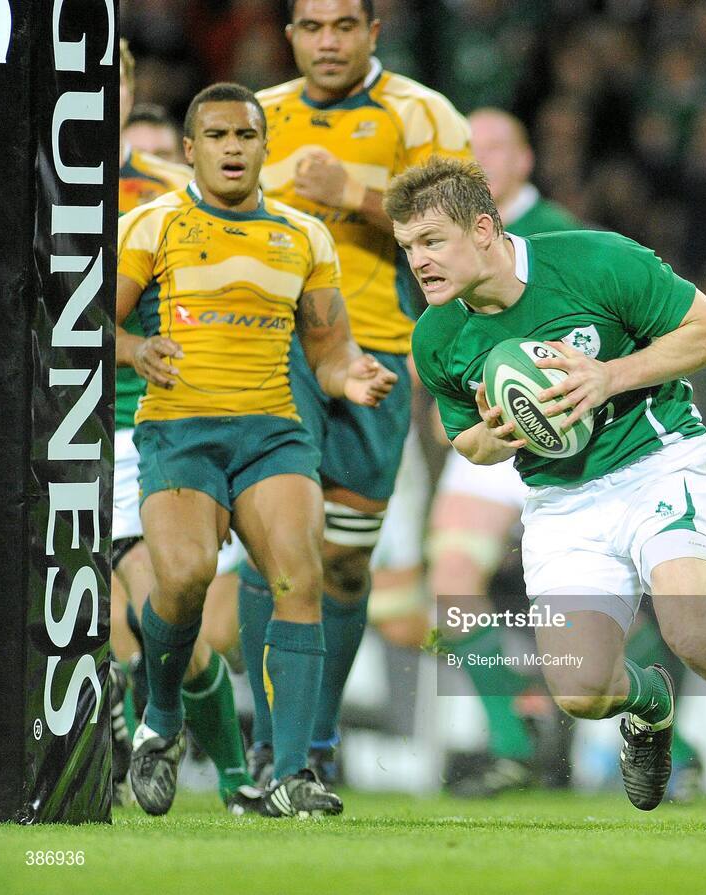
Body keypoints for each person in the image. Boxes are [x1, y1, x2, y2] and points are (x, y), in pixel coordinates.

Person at [386, 156, 706, 834]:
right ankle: (652, 704)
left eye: (432, 240)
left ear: (485, 229)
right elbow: (466, 440)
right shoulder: (437, 335)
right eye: (408, 246)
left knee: (697, 632)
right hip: (561, 504)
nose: (419, 260)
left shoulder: (596, 260)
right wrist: (498, 433)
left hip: (658, 465)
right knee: (583, 691)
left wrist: (608, 375)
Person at [117, 82, 396, 818]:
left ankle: (292, 773)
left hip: (273, 431)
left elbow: (328, 348)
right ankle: (163, 718)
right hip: (180, 427)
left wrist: (352, 376)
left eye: (245, 135)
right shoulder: (151, 226)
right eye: (217, 136)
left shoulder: (303, 236)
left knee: (299, 577)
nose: (232, 148)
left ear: (264, 147)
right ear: (190, 149)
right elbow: (91, 326)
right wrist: (136, 348)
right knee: (183, 578)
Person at [239, 0, 472, 785]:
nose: (328, 41)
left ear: (374, 33)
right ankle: (272, 747)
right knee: (274, 543)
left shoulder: (423, 115)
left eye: (345, 25)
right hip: (272, 350)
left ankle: (315, 741)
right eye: (312, 27)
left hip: (377, 354)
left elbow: (467, 237)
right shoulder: (255, 117)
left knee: (342, 562)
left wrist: (357, 196)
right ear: (290, 37)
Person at [112, 42, 259, 815]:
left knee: (163, 610)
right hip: (30, 432)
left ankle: (232, 776)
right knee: (94, 626)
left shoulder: (172, 193)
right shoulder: (12, 191)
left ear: (127, 89)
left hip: (134, 428)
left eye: (111, 80)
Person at [426, 107, 581, 796]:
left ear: (525, 161)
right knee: (451, 579)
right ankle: (512, 742)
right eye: (469, 146)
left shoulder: (564, 233)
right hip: (494, 431)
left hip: (571, 433)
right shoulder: (442, 238)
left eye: (495, 145)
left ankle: (677, 740)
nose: (481, 157)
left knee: (593, 614)